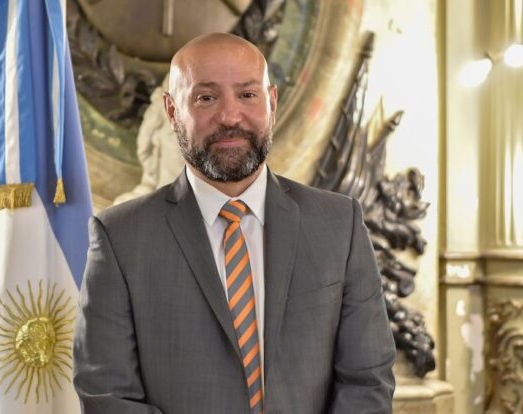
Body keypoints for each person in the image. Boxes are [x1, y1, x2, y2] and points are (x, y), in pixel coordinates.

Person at [73, 32, 396, 414]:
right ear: (172, 111)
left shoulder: (340, 225)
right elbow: (108, 397)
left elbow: (367, 383)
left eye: (247, 94)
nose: (229, 116)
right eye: (206, 98)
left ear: (271, 102)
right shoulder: (119, 238)